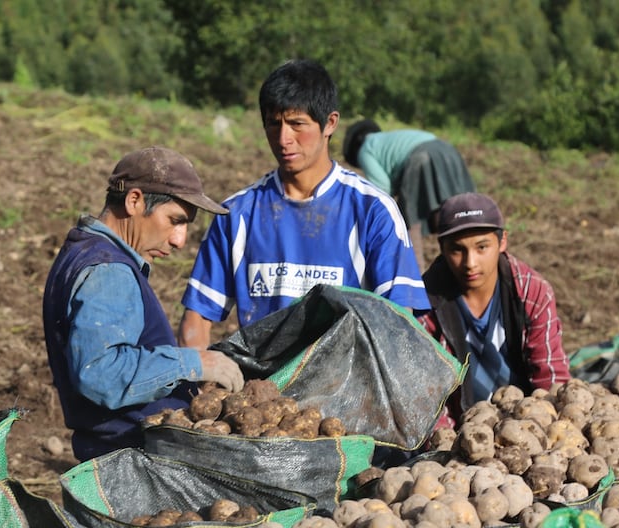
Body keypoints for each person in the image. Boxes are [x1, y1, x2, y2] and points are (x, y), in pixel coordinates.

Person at [179, 59, 430, 350]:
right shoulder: (236, 215)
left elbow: (400, 323)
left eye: (297, 124)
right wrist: (196, 382)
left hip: (344, 387)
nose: (284, 138)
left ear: (330, 123)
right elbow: (196, 318)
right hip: (262, 388)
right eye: (274, 124)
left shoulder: (373, 212)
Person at [42, 146, 244, 462]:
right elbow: (100, 373)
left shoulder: (84, 251)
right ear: (134, 201)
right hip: (129, 458)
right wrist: (193, 363)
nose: (179, 240)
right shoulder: (108, 270)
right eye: (174, 220)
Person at [419, 192, 570, 414]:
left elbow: (549, 374)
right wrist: (449, 442)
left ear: (502, 242)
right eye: (457, 250)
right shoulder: (424, 303)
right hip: (461, 425)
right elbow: (427, 395)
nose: (470, 263)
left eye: (482, 247)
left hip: (526, 417)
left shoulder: (532, 292)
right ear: (442, 248)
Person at [342, 119, 475, 270]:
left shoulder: (365, 150)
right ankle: (463, 261)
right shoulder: (390, 139)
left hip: (421, 157)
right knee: (456, 213)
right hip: (449, 151)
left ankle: (415, 273)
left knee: (409, 219)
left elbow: (381, 187)